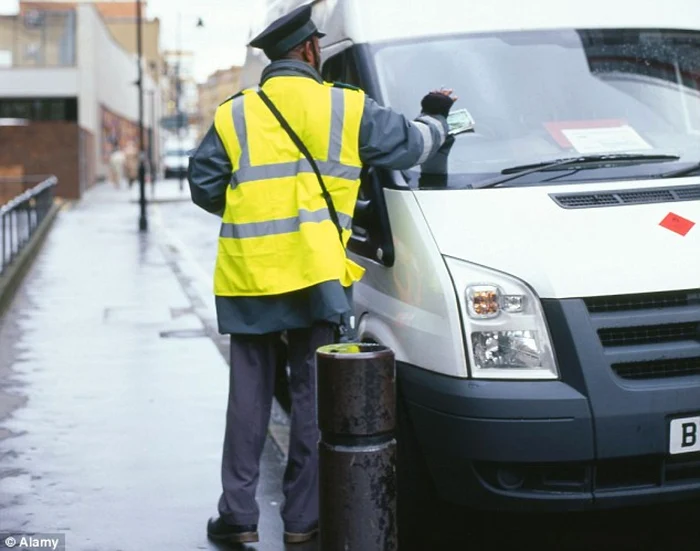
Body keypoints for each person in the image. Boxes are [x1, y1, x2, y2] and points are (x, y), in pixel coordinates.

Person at [188, 3, 457, 546]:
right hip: (318, 277)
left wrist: (250, 211)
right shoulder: (345, 108)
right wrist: (435, 117)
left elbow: (203, 185)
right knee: (313, 401)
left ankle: (238, 518)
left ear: (274, 59)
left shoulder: (235, 113)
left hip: (249, 277)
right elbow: (413, 143)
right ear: (311, 50)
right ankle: (301, 520)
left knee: (248, 400)